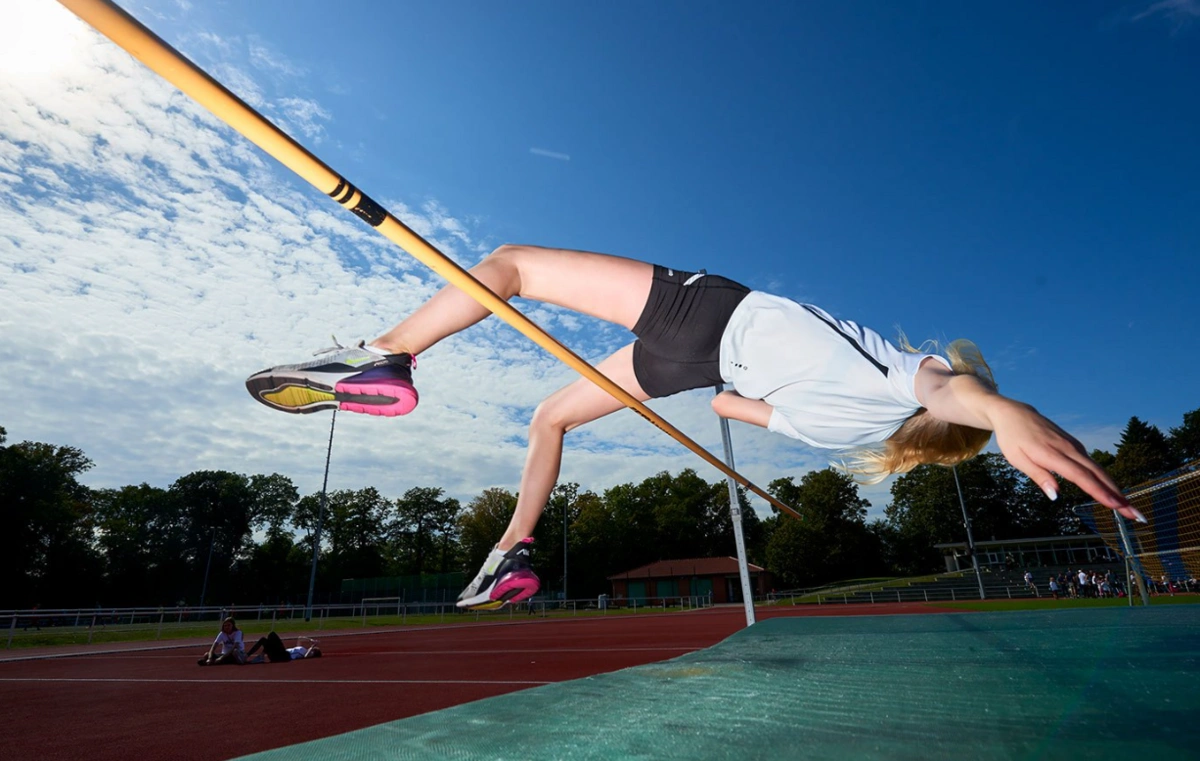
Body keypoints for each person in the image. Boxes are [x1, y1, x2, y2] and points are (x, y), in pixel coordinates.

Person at [244, 244, 1143, 609]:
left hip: (706, 319)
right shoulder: (844, 434)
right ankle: (514, 550)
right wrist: (990, 416)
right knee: (550, 416)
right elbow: (729, 409)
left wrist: (1002, 408)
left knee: (507, 265)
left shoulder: (918, 377)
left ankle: (386, 353)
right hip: (698, 370)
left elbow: (955, 395)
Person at [245, 631, 321, 663]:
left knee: (272, 634)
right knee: (263, 639)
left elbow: (306, 656)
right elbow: (300, 638)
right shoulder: (302, 649)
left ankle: (261, 656)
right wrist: (310, 640)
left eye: (313, 650)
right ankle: (246, 656)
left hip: (284, 656)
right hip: (278, 655)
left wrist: (313, 646)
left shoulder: (306, 654)